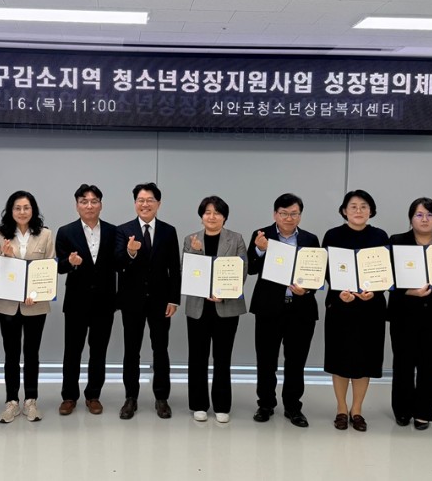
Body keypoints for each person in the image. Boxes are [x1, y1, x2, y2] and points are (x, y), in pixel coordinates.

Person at [247, 193, 319, 428]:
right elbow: (250, 268)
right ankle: (265, 404)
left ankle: (293, 407)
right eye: (284, 213)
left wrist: (307, 290)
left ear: (300, 215)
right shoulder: (261, 235)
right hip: (269, 308)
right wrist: (260, 250)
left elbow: (316, 274)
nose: (289, 218)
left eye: (294, 213)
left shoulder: (310, 239)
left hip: (301, 309)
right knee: (266, 360)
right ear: (275, 214)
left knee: (296, 361)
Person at [322, 189, 388, 432]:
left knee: (365, 359)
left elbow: (385, 271)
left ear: (371, 211)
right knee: (340, 358)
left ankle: (357, 410)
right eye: (353, 206)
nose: (358, 211)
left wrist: (375, 291)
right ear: (344, 211)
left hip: (371, 307)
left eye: (363, 206)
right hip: (340, 305)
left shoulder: (380, 236)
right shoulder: (332, 235)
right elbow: (325, 270)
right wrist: (340, 292)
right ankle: (341, 408)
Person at [388, 197, 432, 431]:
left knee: (431, 365)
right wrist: (409, 291)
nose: (424, 219)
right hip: (404, 312)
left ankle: (423, 413)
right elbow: (386, 277)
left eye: (430, 215)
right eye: (419, 214)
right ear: (411, 218)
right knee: (403, 364)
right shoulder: (397, 242)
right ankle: (403, 410)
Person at [115, 182, 181, 420]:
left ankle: (161, 398)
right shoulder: (123, 230)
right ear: (135, 203)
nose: (145, 204)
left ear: (158, 204)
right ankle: (130, 397)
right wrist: (131, 252)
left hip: (161, 301)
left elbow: (174, 268)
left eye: (150, 200)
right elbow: (117, 263)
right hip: (131, 301)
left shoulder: (168, 231)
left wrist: (174, 299)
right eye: (141, 200)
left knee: (160, 350)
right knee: (131, 350)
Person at [182, 196, 247, 423]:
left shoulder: (236, 239)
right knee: (197, 357)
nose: (212, 217)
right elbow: (187, 271)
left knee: (222, 358)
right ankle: (198, 404)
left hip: (226, 307)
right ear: (201, 216)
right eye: (207, 212)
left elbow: (242, 271)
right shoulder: (191, 240)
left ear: (224, 217)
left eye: (217, 213)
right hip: (198, 307)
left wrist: (224, 292)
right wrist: (197, 252)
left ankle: (222, 405)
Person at [0, 191, 55, 423]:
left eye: (26, 207)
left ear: (33, 210)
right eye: (17, 208)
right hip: (8, 305)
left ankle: (31, 400)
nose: (22, 212)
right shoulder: (0, 234)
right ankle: (11, 401)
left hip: (35, 305)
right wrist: (5, 257)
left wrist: (35, 294)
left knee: (31, 353)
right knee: (11, 354)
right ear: (10, 211)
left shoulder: (46, 234)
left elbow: (49, 269)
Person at [55, 184, 117, 416]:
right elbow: (59, 267)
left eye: (94, 201)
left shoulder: (113, 231)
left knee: (98, 351)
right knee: (72, 351)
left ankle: (93, 395)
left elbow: (119, 262)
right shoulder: (65, 232)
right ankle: (69, 396)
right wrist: (70, 262)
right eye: (84, 201)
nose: (89, 205)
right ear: (77, 205)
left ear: (100, 204)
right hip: (76, 302)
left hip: (104, 301)